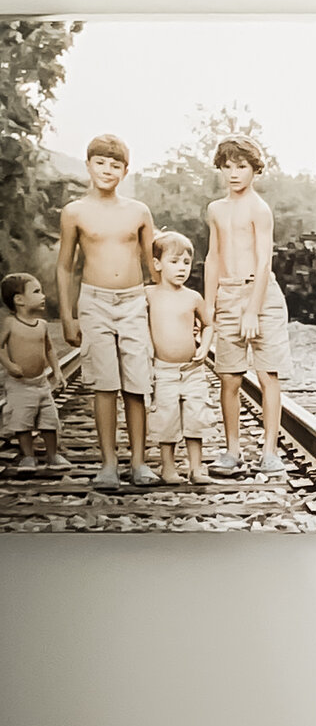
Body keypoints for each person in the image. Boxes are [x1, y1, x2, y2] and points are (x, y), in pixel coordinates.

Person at [57, 134, 159, 492]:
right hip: (94, 301)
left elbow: (153, 264)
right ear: (88, 166)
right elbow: (65, 267)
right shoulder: (74, 212)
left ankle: (139, 463)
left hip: (133, 301)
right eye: (100, 163)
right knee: (104, 384)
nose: (107, 170)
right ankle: (108, 464)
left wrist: (163, 308)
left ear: (125, 171)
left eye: (115, 165)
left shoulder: (138, 212)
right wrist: (69, 316)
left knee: (136, 383)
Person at [205, 134, 289, 468]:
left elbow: (264, 260)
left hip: (261, 294)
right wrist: (209, 307)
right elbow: (213, 257)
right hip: (228, 293)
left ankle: (269, 451)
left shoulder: (259, 209)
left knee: (268, 373)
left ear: (254, 169)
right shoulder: (216, 209)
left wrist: (253, 309)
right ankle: (232, 449)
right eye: (227, 167)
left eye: (241, 167)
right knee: (229, 375)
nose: (234, 174)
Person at [143, 233, 215, 487]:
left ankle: (196, 467)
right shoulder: (149, 294)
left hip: (192, 370)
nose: (182, 268)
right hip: (163, 370)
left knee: (195, 418)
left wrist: (204, 349)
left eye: (186, 262)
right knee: (167, 419)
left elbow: (208, 325)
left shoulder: (193, 297)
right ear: (158, 264)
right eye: (174, 261)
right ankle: (168, 467)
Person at [0, 273, 63, 471]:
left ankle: (53, 456)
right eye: (37, 291)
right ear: (19, 300)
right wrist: (9, 365)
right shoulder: (11, 323)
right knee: (22, 421)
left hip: (41, 383)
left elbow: (49, 349)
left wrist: (57, 371)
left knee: (49, 420)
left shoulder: (42, 325)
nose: (43, 295)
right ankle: (28, 456)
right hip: (20, 384)